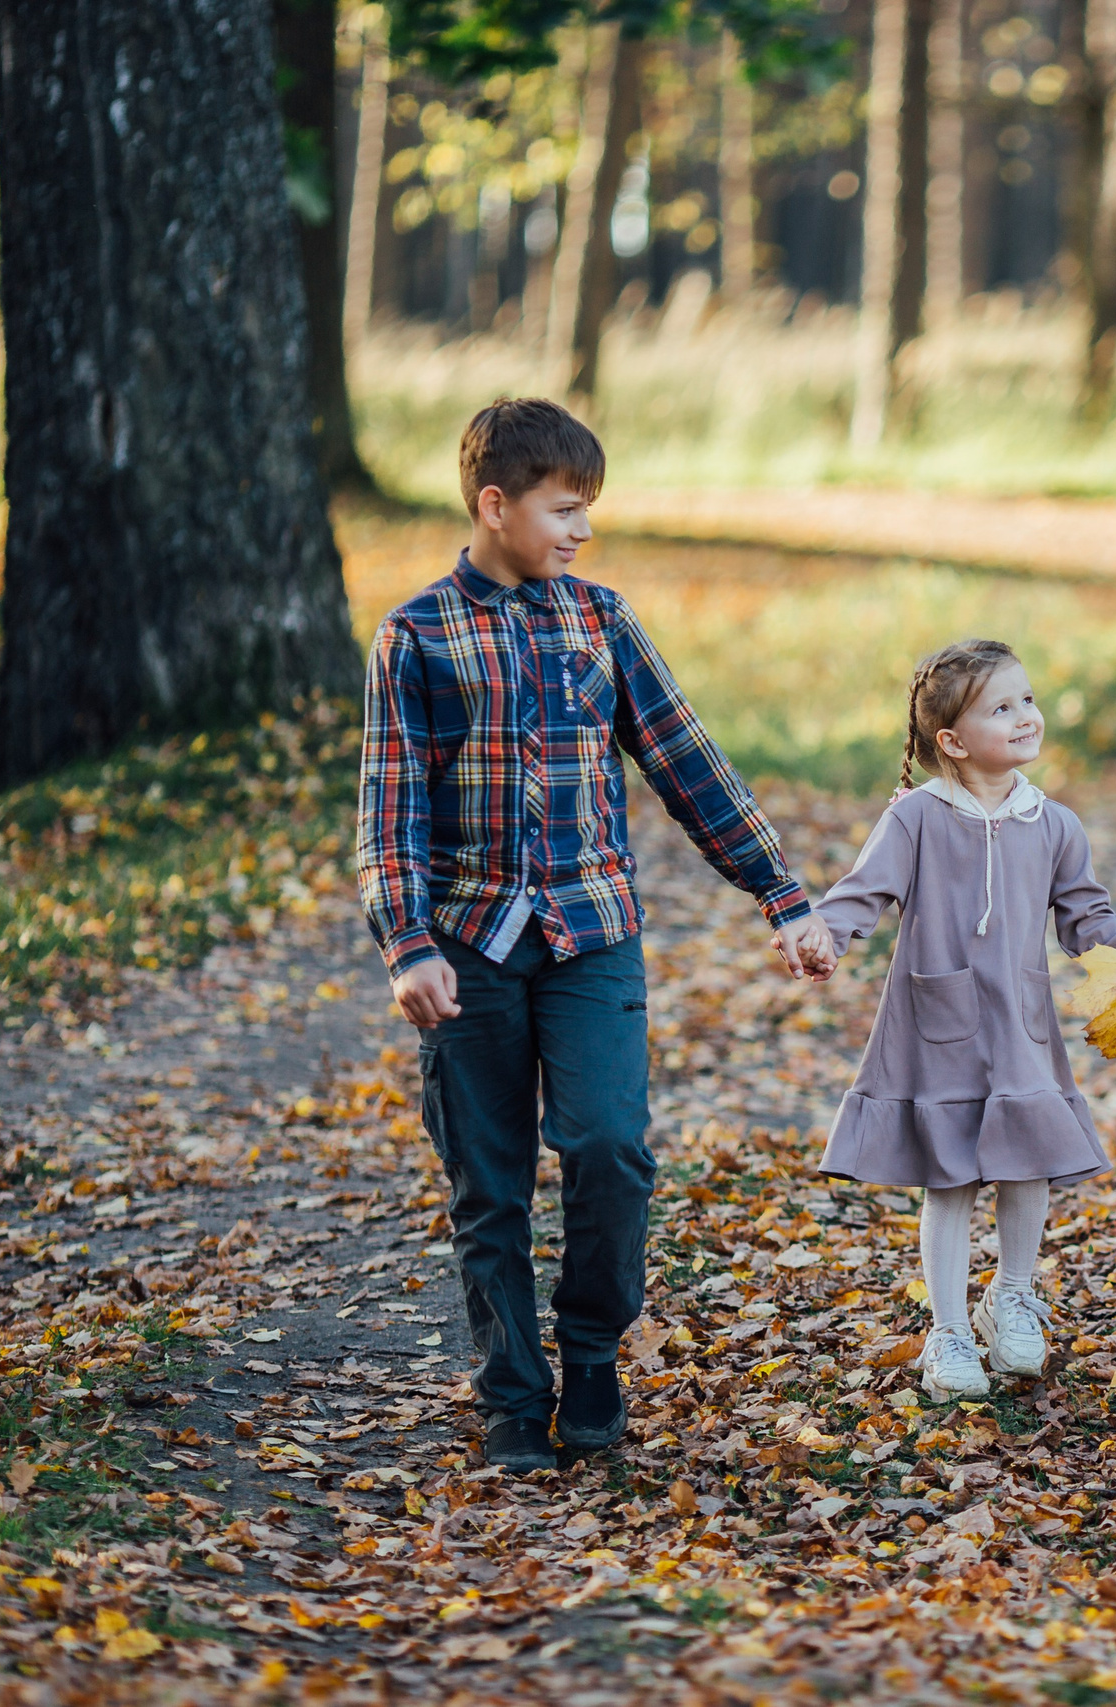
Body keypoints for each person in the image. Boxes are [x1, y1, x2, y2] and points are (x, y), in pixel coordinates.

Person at [358, 399, 834, 1475]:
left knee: (611, 1151)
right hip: (471, 944)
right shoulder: (417, 636)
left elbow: (689, 765)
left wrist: (783, 895)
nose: (581, 532)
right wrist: (407, 943)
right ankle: (512, 1399)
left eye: (588, 513)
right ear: (496, 504)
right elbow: (388, 814)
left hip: (592, 935)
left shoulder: (601, 623)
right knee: (489, 1183)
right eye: (564, 511)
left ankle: (591, 1354)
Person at [796, 640, 1116, 1403]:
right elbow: (862, 891)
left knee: (1029, 1159)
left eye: (1028, 699)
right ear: (951, 740)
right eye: (1001, 707)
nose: (1024, 716)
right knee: (949, 1179)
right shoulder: (915, 818)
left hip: (1020, 1023)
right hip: (934, 1023)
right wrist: (827, 934)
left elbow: (1087, 921)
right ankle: (947, 1329)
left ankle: (1010, 1294)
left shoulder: (1053, 823)